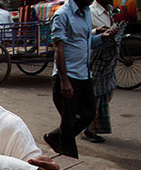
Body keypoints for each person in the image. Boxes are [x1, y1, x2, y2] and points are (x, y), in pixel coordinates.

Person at [43, 0, 118, 159]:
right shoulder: (62, 15)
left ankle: (55, 137)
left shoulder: (86, 12)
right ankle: (70, 159)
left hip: (84, 75)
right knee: (68, 122)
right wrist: (64, 80)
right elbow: (59, 49)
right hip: (68, 77)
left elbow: (87, 42)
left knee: (89, 114)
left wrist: (103, 37)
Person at [83, 0, 121, 143]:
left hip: (107, 58)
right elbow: (86, 36)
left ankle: (94, 127)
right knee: (96, 95)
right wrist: (99, 32)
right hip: (96, 57)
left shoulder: (110, 10)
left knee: (105, 93)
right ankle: (89, 129)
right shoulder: (91, 12)